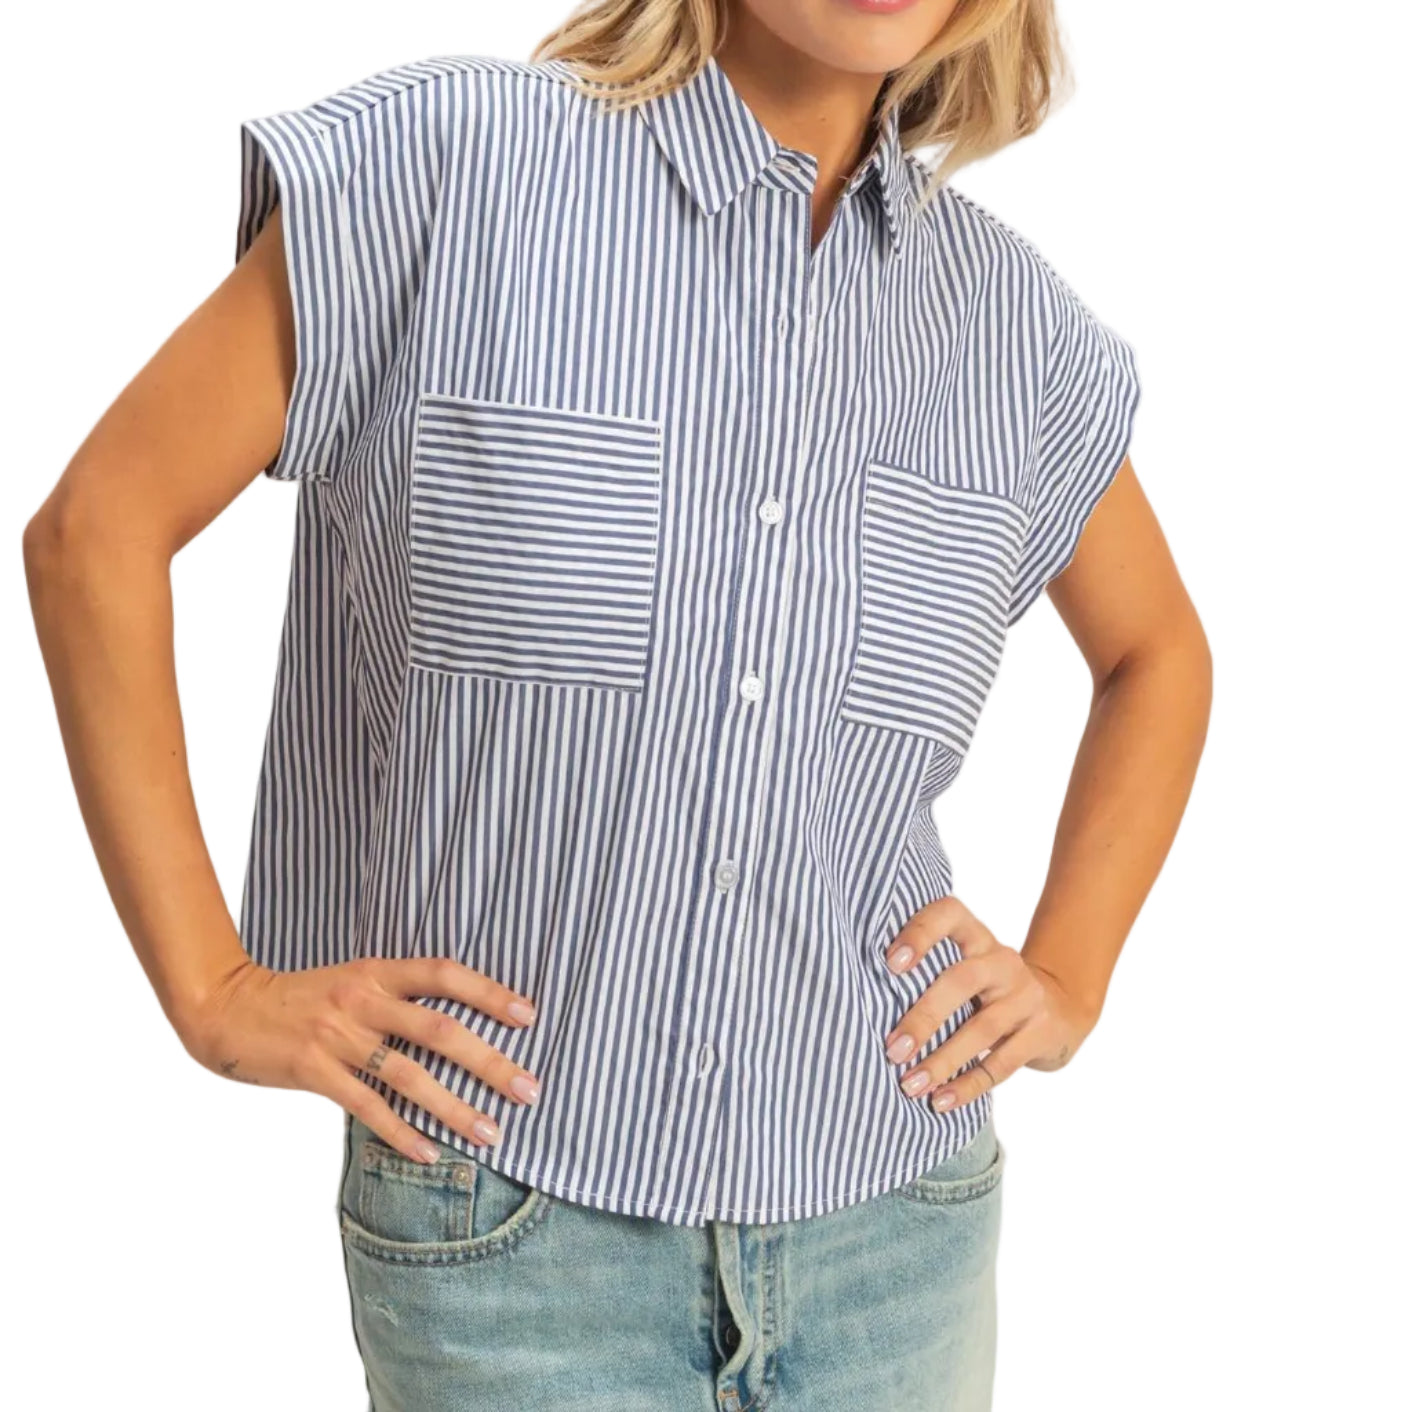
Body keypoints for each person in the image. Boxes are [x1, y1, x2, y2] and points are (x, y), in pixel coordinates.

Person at [22, 1, 1211, 1408]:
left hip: (897, 1229)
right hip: (510, 1229)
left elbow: (1158, 656)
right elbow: (95, 530)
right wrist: (214, 991)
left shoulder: (1021, 337)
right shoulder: (450, 171)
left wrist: (1068, 973)